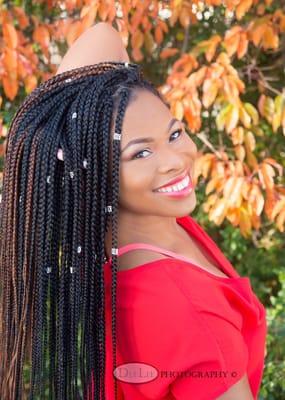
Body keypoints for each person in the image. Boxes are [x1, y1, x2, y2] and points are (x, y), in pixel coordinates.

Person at [0, 22, 267, 400]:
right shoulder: (192, 314)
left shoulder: (135, 226)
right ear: (94, 173)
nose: (176, 161)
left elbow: (104, 33)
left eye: (174, 133)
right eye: (141, 153)